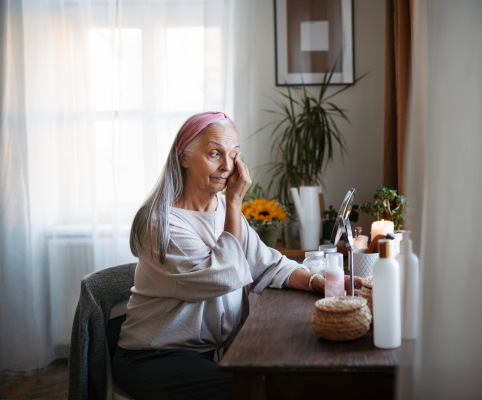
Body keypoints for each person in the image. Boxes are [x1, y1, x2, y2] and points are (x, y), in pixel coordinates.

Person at [112, 112, 362, 400]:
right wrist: (233, 203)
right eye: (215, 154)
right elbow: (226, 276)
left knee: (292, 375)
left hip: (213, 352)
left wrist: (317, 282)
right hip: (157, 356)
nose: (227, 167)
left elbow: (266, 264)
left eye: (234, 155)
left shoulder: (222, 212)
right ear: (184, 157)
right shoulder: (162, 223)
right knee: (259, 391)